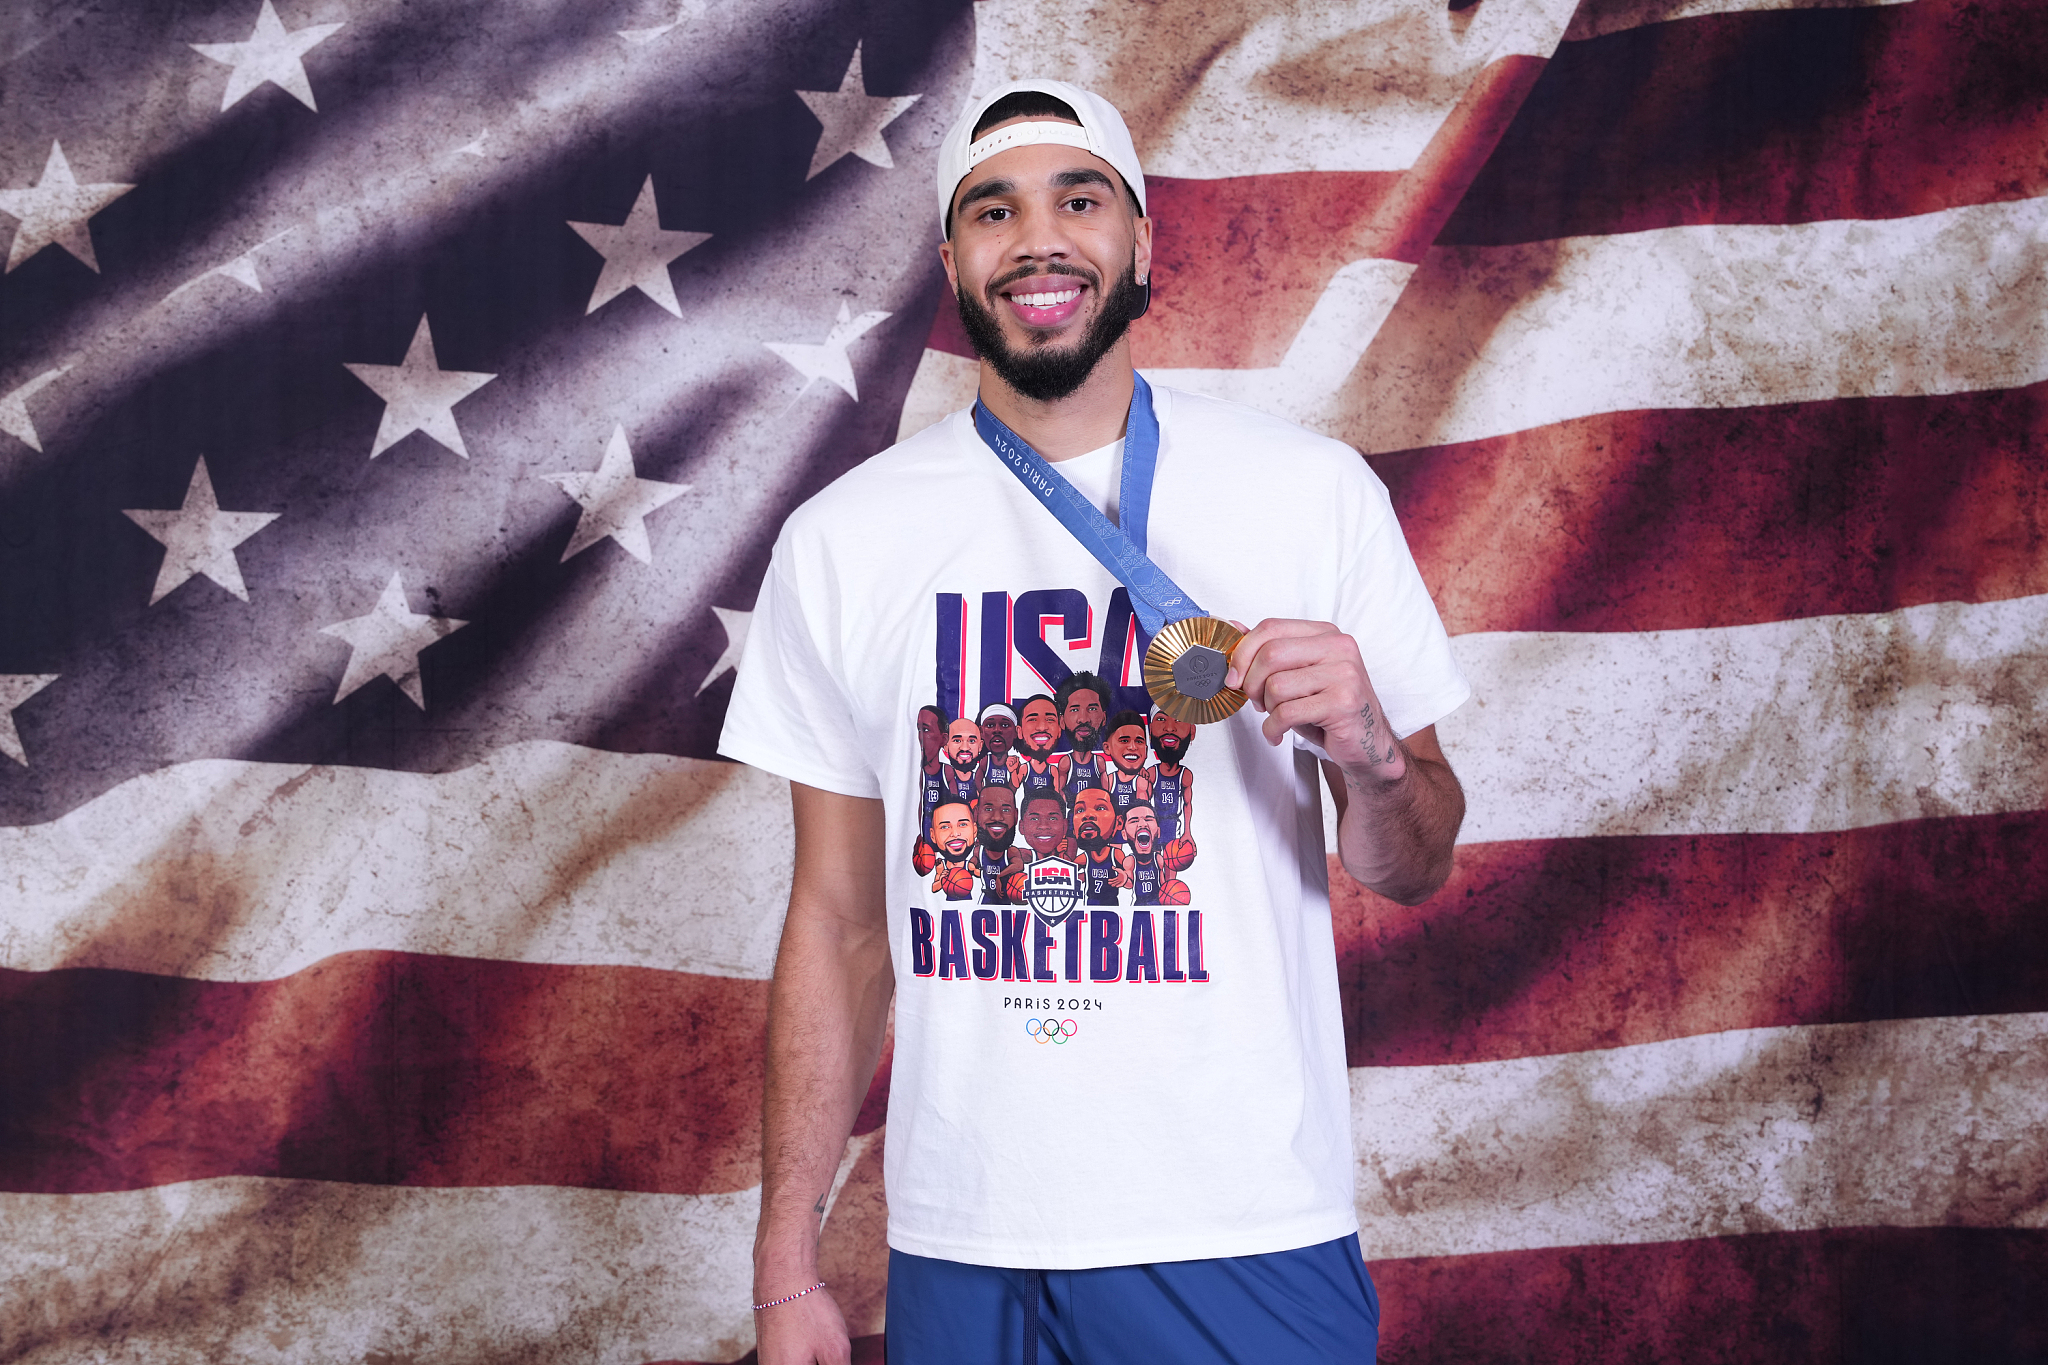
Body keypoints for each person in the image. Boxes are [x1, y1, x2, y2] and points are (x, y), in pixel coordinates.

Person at [721, 77, 1468, 1365]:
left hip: (1242, 1218)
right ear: (953, 259)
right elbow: (839, 925)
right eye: (993, 211)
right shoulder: (843, 540)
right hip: (964, 1234)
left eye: (1080, 199)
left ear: (1141, 239)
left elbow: (1416, 865)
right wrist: (787, 1262)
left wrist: (1372, 751)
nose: (1038, 241)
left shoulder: (1307, 495)